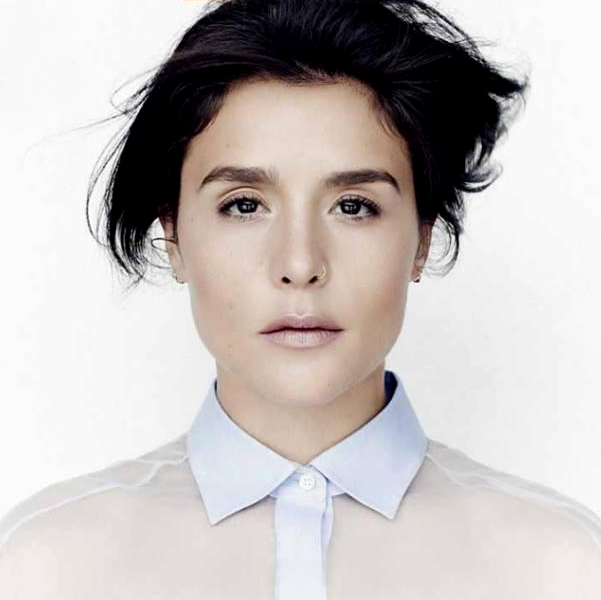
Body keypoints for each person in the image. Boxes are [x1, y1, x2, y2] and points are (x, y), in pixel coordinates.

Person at [1, 0, 600, 598]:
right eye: (244, 205)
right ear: (174, 238)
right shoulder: (46, 566)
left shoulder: (562, 566)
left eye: (353, 206)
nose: (299, 265)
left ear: (421, 241)